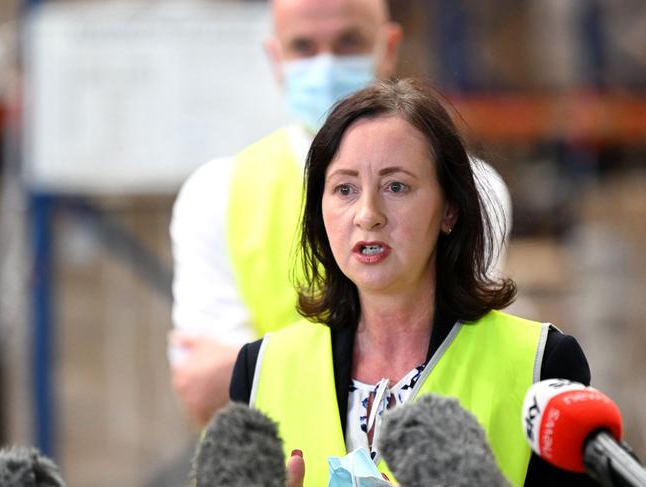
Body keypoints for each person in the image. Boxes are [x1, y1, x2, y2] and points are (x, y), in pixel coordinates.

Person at [230, 79, 594, 487]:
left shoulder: (541, 367)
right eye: (344, 189)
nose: (367, 214)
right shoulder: (259, 370)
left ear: (450, 210)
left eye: (396, 186)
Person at [169, 0, 511, 426]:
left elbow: (461, 367)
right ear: (275, 58)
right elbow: (206, 392)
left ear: (388, 48)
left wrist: (256, 367)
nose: (326, 66)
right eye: (304, 47)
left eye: (349, 42)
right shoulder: (216, 194)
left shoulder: (473, 189)